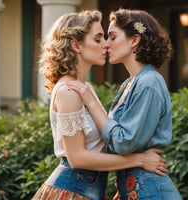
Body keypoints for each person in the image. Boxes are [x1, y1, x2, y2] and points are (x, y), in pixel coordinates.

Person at [32, 10, 168, 200]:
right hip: (71, 192)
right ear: (76, 45)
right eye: (98, 39)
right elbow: (77, 158)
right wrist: (139, 159)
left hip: (90, 192)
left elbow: (109, 139)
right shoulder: (68, 91)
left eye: (108, 37)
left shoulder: (85, 88)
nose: (106, 44)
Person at [67, 8, 182, 199]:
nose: (106, 44)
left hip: (150, 189)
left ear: (134, 40)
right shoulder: (129, 83)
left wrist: (91, 102)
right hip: (133, 186)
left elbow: (123, 142)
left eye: (112, 37)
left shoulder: (149, 82)